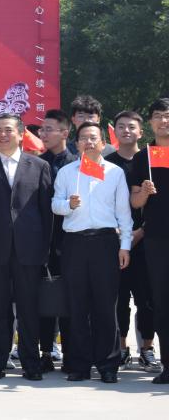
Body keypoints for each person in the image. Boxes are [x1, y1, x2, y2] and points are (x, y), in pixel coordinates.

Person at [0, 113, 54, 381]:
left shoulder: (39, 165)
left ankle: (31, 363)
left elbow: (47, 213)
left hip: (29, 250)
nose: (3, 135)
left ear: (20, 133)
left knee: (28, 309)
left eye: (8, 130)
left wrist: (45, 249)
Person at [53, 122, 132, 383]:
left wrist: (125, 246)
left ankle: (108, 365)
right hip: (75, 243)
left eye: (93, 138)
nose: (88, 142)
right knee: (77, 306)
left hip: (106, 243)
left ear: (102, 143)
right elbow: (55, 205)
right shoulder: (67, 173)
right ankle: (79, 365)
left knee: (105, 306)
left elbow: (123, 213)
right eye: (84, 138)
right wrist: (68, 204)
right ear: (76, 144)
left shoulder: (115, 172)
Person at [107, 110, 159, 372]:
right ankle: (121, 349)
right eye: (121, 126)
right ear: (114, 130)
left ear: (141, 131)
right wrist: (120, 233)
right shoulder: (106, 163)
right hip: (115, 240)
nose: (126, 130)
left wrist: (141, 231)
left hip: (147, 239)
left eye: (131, 126)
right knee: (118, 298)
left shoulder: (150, 158)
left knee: (146, 298)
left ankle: (147, 349)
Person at [128, 97, 169, 384]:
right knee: (162, 302)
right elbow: (135, 201)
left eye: (168, 115)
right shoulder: (144, 157)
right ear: (151, 122)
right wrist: (144, 192)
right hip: (157, 239)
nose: (164, 120)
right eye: (158, 116)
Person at [37, 109, 77, 372]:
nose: (44, 134)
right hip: (43, 240)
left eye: (49, 129)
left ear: (65, 132)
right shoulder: (36, 164)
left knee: (70, 298)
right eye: (42, 129)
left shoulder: (77, 164)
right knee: (45, 296)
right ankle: (46, 352)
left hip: (72, 240)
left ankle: (72, 353)